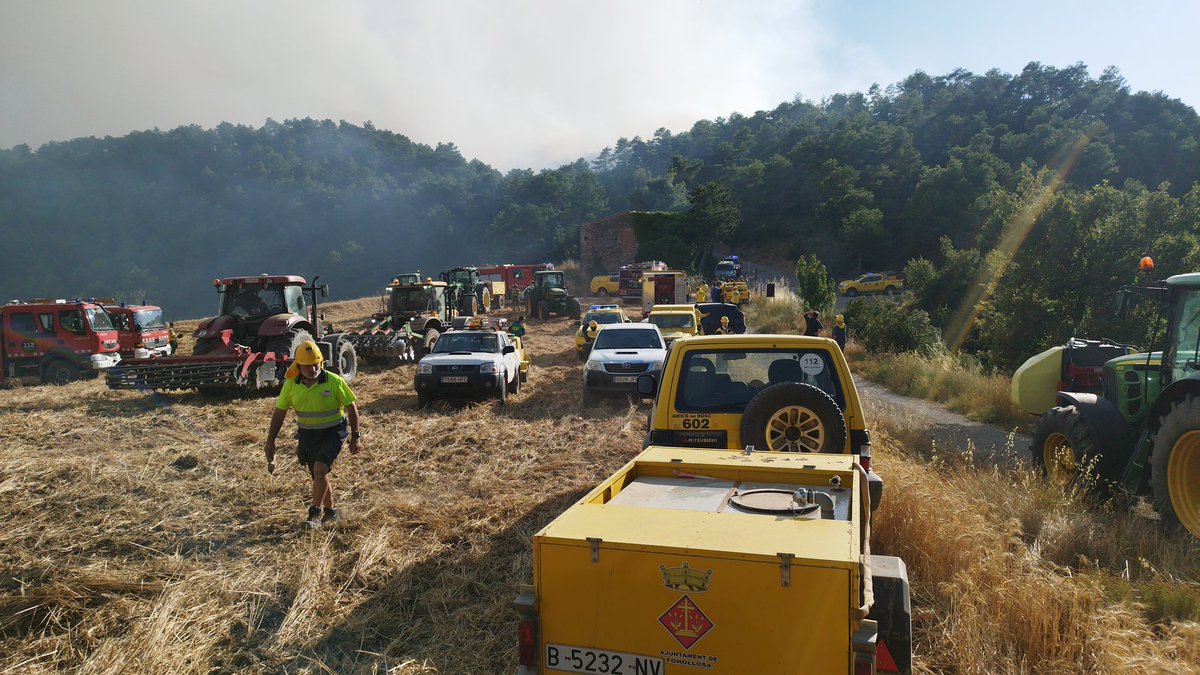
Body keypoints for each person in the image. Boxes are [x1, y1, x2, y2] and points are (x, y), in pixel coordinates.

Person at [264, 340, 362, 529]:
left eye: (316, 364)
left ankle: (314, 514)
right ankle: (331, 512)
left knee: (320, 468)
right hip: (308, 435)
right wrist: (270, 441)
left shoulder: (334, 381)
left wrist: (355, 436)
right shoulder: (291, 385)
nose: (313, 369)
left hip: (333, 432)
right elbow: (279, 413)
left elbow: (351, 407)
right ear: (298, 366)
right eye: (308, 366)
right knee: (319, 475)